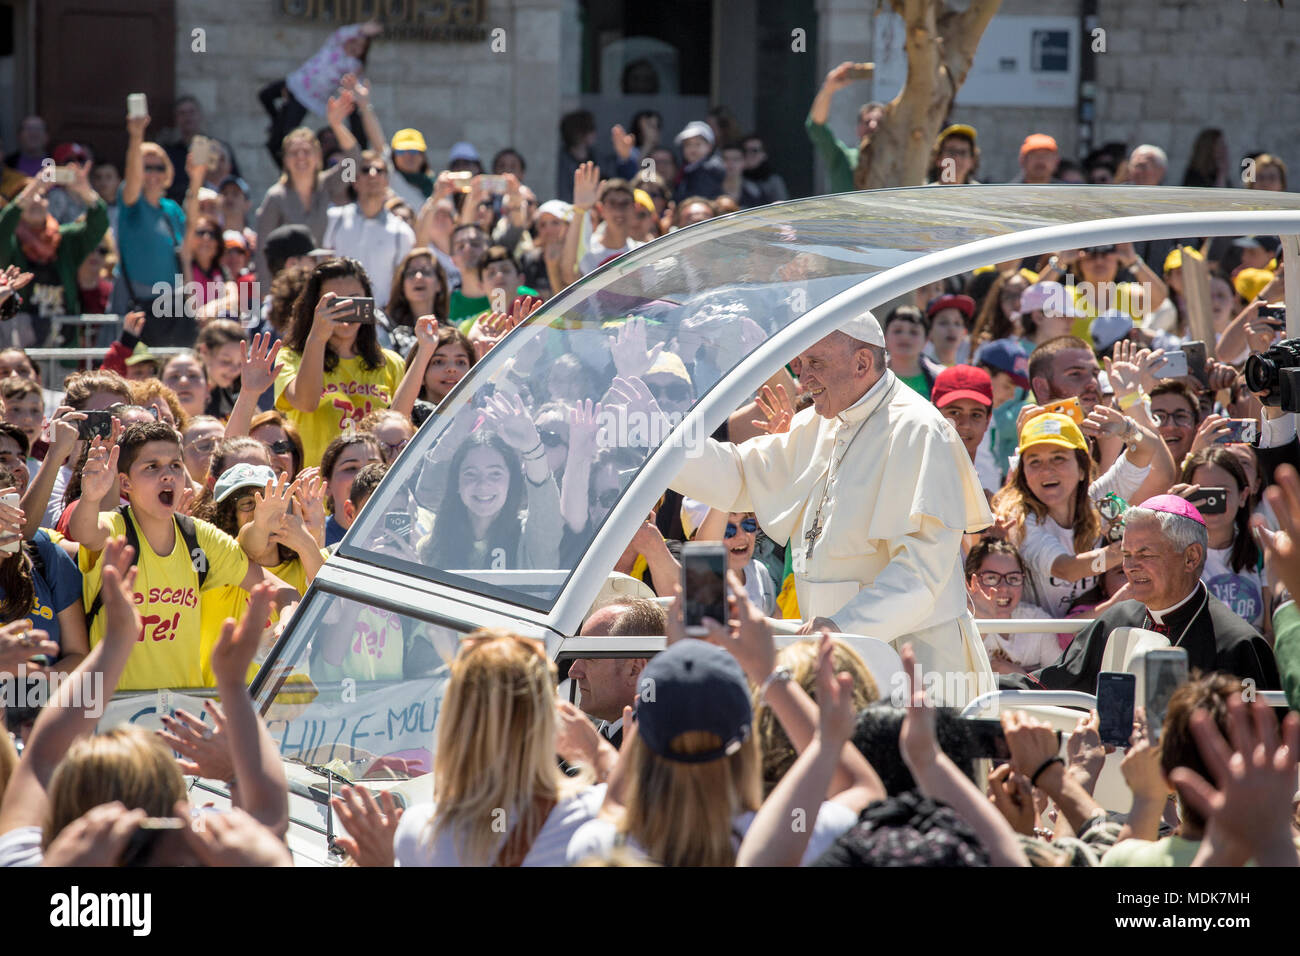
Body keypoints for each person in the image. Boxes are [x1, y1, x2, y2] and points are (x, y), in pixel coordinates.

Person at [669, 312, 993, 678]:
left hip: (912, 659)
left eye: (816, 363)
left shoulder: (918, 429)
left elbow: (920, 572)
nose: (803, 379)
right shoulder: (816, 423)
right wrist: (663, 445)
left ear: (862, 363)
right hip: (834, 653)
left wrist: (842, 627)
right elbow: (739, 475)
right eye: (800, 364)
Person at [69, 422, 295, 690]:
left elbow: (283, 591)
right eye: (152, 467)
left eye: (175, 465)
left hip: (181, 714)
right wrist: (91, 497)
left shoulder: (200, 538)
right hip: (115, 714)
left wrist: (286, 623)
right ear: (125, 482)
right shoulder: (115, 528)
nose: (168, 475)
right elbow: (84, 531)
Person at [1018, 496, 1280, 693]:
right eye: (1126, 555)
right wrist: (981, 686)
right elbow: (1052, 682)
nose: (1130, 567)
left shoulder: (1238, 644)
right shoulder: (1117, 619)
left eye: (1145, 554)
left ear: (1191, 557)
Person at [392, 629, 605, 866]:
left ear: (454, 721)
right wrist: (598, 753)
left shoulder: (421, 832)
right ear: (549, 718)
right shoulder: (593, 814)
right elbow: (646, 815)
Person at [995, 411, 1162, 618]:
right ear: (1024, 475)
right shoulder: (1018, 518)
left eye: (1058, 458)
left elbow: (1147, 448)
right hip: (1034, 640)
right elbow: (1067, 569)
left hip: (1081, 631)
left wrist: (1127, 428)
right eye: (1035, 461)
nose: (1046, 471)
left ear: (1082, 470)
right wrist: (1129, 549)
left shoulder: (1098, 499)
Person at [274, 258, 411, 467]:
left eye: (355, 299)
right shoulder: (290, 358)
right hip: (316, 490)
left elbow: (400, 426)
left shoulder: (391, 363)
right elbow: (305, 402)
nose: (346, 309)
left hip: (372, 487)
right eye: (335, 303)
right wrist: (317, 338)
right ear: (315, 307)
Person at [418, 397, 562, 571]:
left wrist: (532, 447)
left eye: (495, 474)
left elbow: (544, 503)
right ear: (456, 482)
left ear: (512, 482)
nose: (483, 485)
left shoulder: (530, 540)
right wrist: (458, 427)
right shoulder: (432, 546)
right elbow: (428, 492)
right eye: (471, 474)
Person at [252, 106, 363, 287]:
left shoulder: (327, 185)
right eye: (294, 153)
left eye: (307, 151)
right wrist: (266, 293)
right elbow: (262, 252)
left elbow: (355, 160)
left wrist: (336, 124)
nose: (301, 157)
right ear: (285, 160)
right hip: (285, 284)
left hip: (317, 281)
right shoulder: (275, 197)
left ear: (318, 155)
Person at [0, 167, 107, 348]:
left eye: (42, 195)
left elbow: (99, 223)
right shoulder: (10, 241)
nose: (35, 200)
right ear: (17, 204)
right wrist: (37, 184)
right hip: (21, 348)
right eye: (29, 195)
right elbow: (4, 225)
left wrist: (84, 190)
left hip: (63, 345)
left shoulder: (65, 240)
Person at [1177, 448, 1266, 631]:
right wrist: (1170, 517)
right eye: (1202, 493)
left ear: (1243, 496)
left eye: (1221, 492)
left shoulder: (1265, 547)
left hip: (1251, 655)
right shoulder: (1173, 553)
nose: (1211, 501)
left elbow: (1272, 631)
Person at [322, 150, 415, 308]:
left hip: (380, 323)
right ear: (355, 181)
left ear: (387, 182)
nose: (373, 174)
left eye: (379, 170)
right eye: (365, 170)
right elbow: (324, 266)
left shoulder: (402, 233)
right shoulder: (333, 219)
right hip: (336, 315)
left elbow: (401, 284)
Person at [568, 599, 664, 748]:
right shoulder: (583, 733)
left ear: (634, 670)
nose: (573, 672)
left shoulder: (653, 751)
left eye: (589, 657)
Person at [964, 539, 1056, 674]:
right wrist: (982, 627)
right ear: (969, 581)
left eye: (1013, 578)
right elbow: (949, 679)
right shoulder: (958, 625)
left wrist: (1018, 675)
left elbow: (1060, 686)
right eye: (991, 578)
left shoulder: (1038, 622)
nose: (1003, 588)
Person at [806, 62, 881, 194]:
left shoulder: (900, 164)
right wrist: (828, 89)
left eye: (879, 122)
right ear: (858, 129)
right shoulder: (843, 161)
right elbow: (817, 127)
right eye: (867, 121)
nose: (873, 126)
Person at [931, 365, 998, 496]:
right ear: (933, 413)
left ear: (987, 421)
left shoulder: (988, 499)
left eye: (976, 415)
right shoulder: (914, 477)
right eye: (955, 412)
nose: (966, 424)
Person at [883, 304, 942, 398]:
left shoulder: (940, 377)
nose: (905, 337)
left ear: (926, 340)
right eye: (897, 331)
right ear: (884, 337)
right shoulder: (871, 376)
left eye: (914, 332)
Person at [671, 121, 724, 201]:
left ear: (710, 146)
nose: (692, 149)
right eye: (688, 144)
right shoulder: (686, 170)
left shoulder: (710, 170)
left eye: (698, 144)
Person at [741, 134, 787, 204]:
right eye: (745, 151)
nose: (748, 154)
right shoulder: (734, 178)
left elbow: (782, 207)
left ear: (764, 154)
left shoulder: (773, 181)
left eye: (754, 151)